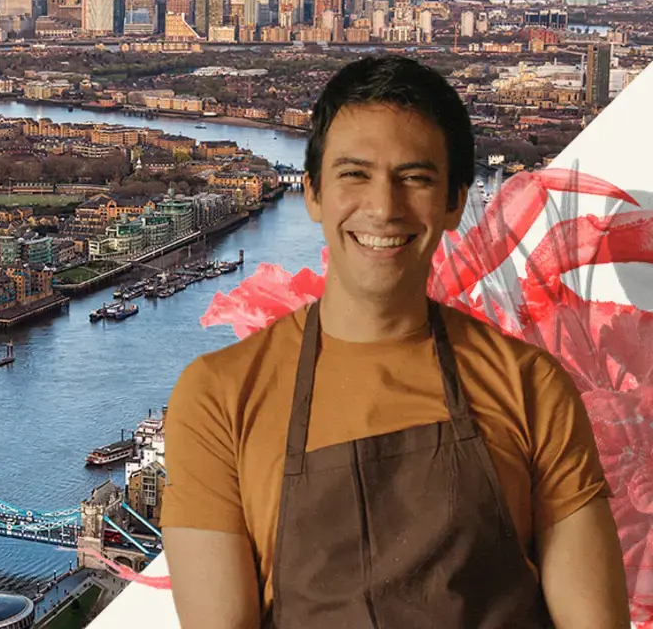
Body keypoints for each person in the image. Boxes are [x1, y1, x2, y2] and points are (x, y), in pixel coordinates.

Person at [161, 55, 630, 629]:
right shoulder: (217, 399)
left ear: (455, 202)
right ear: (312, 193)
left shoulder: (534, 387)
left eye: (415, 177)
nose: (383, 207)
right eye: (354, 174)